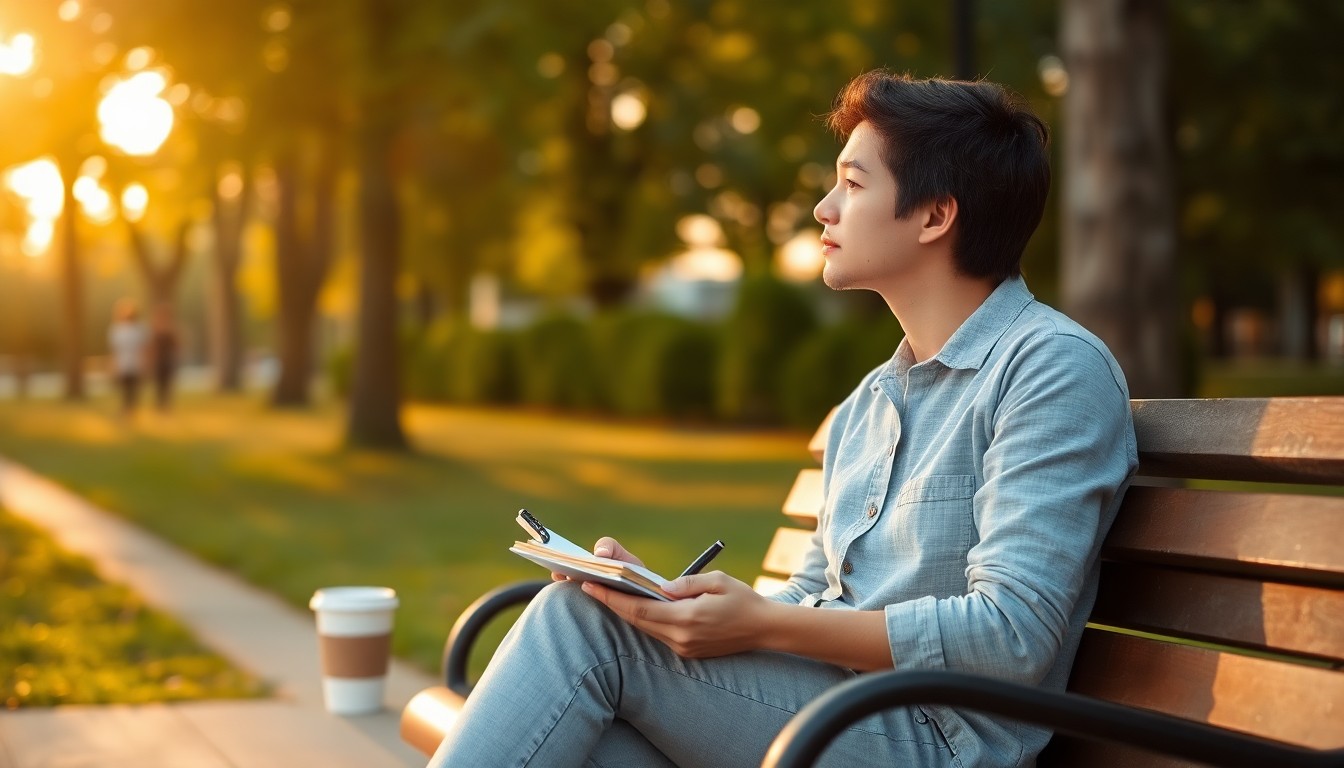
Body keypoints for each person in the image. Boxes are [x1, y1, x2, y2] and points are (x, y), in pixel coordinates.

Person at [428, 70, 1138, 768]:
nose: (824, 209)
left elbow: (1012, 633)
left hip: (932, 740)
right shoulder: (871, 401)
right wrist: (669, 603)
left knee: (579, 628)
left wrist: (764, 622)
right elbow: (816, 594)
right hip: (834, 713)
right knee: (587, 734)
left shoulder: (1050, 369)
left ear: (934, 215)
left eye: (853, 185)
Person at [107, 298, 148, 416]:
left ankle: (131, 411)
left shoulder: (139, 329)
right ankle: (126, 411)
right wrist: (113, 366)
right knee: (125, 390)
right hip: (123, 365)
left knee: (133, 390)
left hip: (135, 364)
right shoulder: (116, 330)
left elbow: (143, 349)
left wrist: (145, 365)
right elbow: (114, 351)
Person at [148, 303, 179, 411]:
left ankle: (166, 406)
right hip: (158, 361)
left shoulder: (171, 330)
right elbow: (151, 347)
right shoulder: (155, 330)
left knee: (167, 385)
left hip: (168, 361)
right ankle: (160, 406)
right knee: (158, 385)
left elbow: (177, 346)